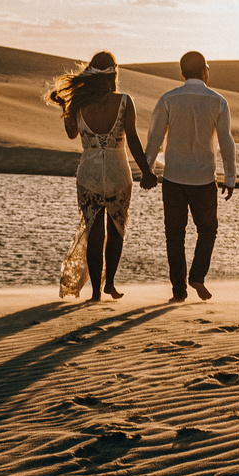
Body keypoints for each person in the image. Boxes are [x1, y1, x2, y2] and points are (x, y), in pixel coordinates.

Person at [48, 52, 157, 302]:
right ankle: (110, 284)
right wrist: (147, 172)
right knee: (116, 230)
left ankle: (96, 291)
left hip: (89, 175)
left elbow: (71, 134)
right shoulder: (124, 101)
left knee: (94, 233)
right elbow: (132, 139)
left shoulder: (78, 103)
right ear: (113, 75)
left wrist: (67, 107)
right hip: (119, 172)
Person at [143, 51, 236, 302]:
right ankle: (197, 275)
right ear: (205, 71)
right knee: (208, 230)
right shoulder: (218, 101)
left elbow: (154, 138)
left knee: (174, 235)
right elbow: (226, 142)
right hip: (204, 179)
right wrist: (230, 177)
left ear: (182, 73)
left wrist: (147, 170)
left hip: (173, 178)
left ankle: (178, 291)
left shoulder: (168, 99)